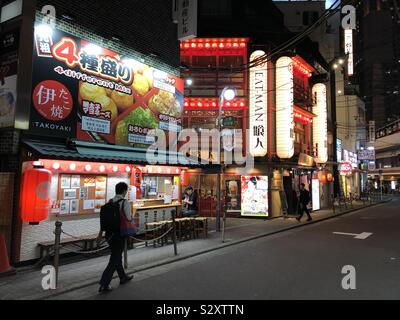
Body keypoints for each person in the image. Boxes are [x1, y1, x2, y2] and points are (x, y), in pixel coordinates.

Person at [97, 182, 133, 293]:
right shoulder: (124, 202)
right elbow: (129, 218)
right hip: (119, 234)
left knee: (116, 256)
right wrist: (132, 216)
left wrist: (100, 233)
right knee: (114, 259)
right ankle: (104, 284)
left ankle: (122, 277)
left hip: (109, 235)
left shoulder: (110, 202)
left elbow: (104, 220)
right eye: (126, 191)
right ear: (124, 191)